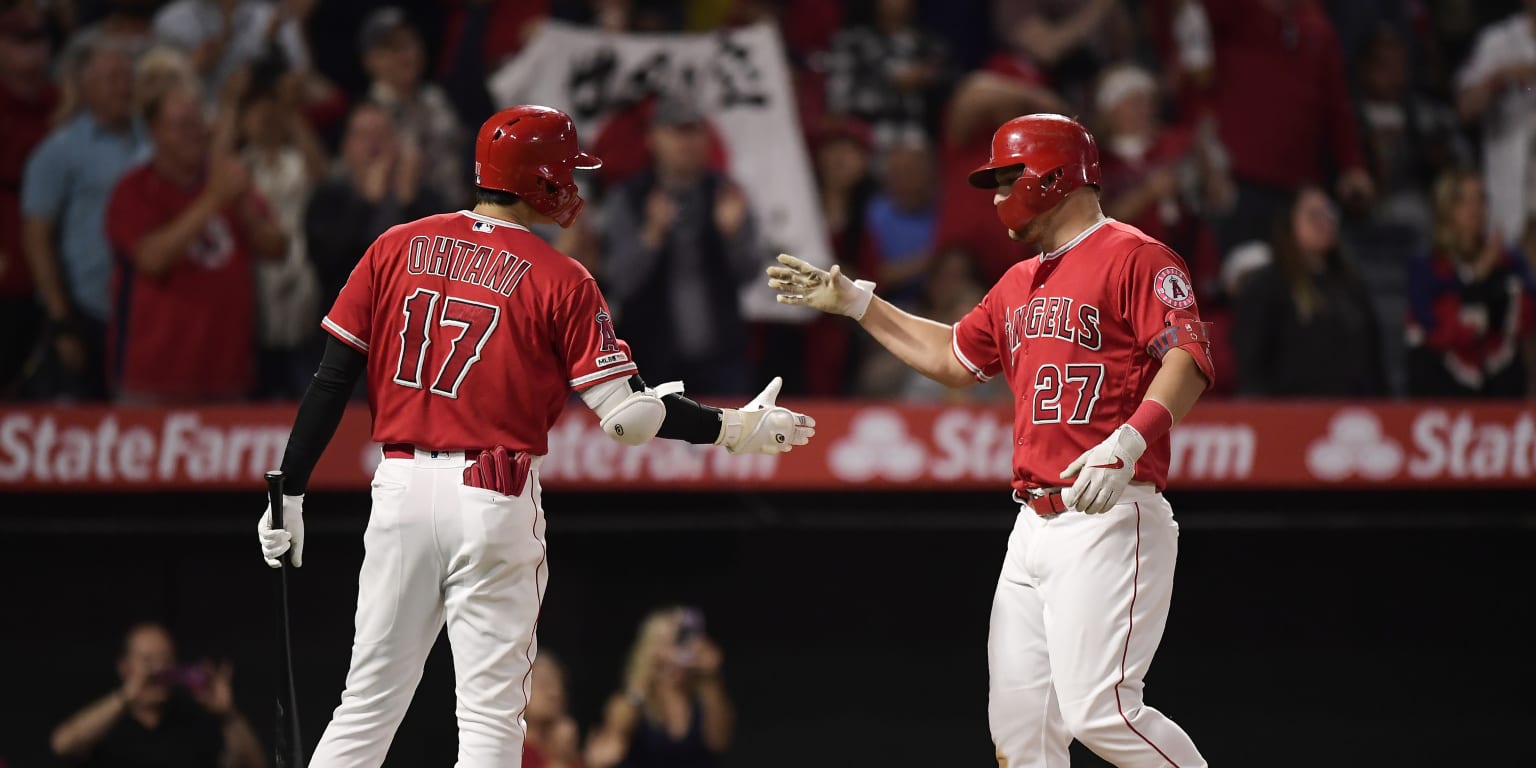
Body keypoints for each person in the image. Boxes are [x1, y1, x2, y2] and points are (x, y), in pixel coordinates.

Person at [253, 104, 814, 768]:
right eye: (565, 170)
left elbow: (329, 378)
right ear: (538, 176)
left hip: (399, 486)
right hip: (491, 494)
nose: (573, 183)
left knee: (367, 704)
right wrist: (735, 429)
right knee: (490, 718)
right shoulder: (560, 275)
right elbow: (626, 417)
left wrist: (288, 491)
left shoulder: (395, 243)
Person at [769, 113, 1211, 767]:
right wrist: (862, 306)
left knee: (1102, 711)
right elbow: (952, 356)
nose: (997, 194)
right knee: (1021, 735)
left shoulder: (1135, 255)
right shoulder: (1017, 282)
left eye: (1007, 176)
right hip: (1031, 526)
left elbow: (1189, 359)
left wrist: (1128, 442)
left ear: (1054, 175)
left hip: (1109, 512)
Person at [106, 84, 286, 402]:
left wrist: (244, 207)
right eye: (179, 126)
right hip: (153, 381)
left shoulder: (229, 182)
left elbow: (277, 249)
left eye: (197, 124)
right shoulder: (134, 190)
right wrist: (213, 200)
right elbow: (151, 259)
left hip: (228, 377)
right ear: (154, 132)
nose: (192, 134)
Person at [601, 95, 760, 396]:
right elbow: (620, 282)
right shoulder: (628, 198)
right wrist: (651, 236)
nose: (686, 142)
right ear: (652, 138)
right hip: (649, 361)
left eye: (694, 131)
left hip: (722, 358)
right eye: (676, 131)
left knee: (728, 440)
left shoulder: (726, 192)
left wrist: (732, 237)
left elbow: (749, 272)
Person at [20, 38, 144, 400]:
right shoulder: (59, 150)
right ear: (85, 87)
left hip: (144, 312)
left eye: (127, 76)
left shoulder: (152, 140)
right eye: (111, 78)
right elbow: (37, 236)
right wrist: (61, 318)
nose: (123, 86)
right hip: (87, 308)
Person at [1231, 186, 1386, 397]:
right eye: (1314, 215)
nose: (1324, 222)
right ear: (1290, 223)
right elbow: (1252, 367)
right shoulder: (1266, 287)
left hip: (1349, 415)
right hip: (1289, 416)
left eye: (1330, 213)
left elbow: (1373, 361)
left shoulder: (1351, 285)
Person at [49, 622, 265, 768]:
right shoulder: (105, 725)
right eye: (148, 660)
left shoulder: (193, 722)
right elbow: (62, 744)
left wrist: (228, 714)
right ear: (124, 667)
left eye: (167, 659)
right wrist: (126, 697)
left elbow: (254, 765)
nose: (160, 669)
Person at [1406, 169, 1536, 398]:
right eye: (1463, 201)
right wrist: (1479, 278)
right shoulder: (1427, 266)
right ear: (1446, 209)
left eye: (1481, 200)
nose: (1475, 209)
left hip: (1500, 386)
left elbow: (1527, 315)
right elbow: (1436, 329)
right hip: (1442, 389)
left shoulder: (1508, 261)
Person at [585, 607, 733, 768]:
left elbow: (719, 742)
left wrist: (711, 676)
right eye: (666, 642)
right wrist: (646, 676)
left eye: (681, 640)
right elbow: (614, 741)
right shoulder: (632, 699)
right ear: (650, 647)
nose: (676, 650)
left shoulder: (700, 697)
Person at [0, 4, 57, 394]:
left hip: (53, 270)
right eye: (21, 41)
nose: (33, 51)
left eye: (38, 40)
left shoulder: (62, 103)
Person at [523, 652, 583, 768]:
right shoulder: (512, 748)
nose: (555, 693)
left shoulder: (570, 755)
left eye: (559, 685)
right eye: (544, 684)